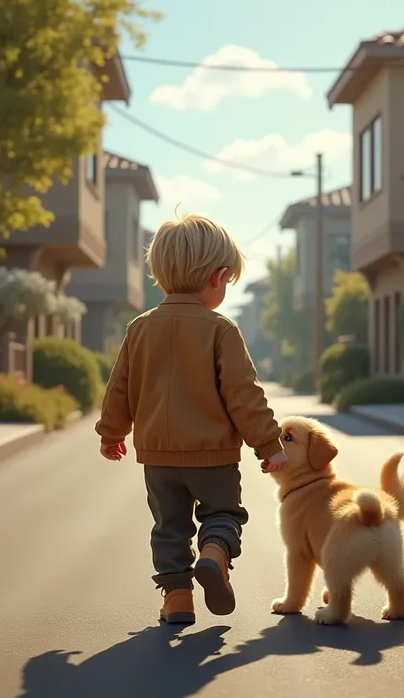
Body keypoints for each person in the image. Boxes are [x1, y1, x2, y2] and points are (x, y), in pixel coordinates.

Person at [95, 212, 288, 625]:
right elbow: (243, 394)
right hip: (213, 456)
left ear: (160, 274)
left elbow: (120, 389)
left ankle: (178, 599)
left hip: (158, 459)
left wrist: (111, 433)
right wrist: (268, 445)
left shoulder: (138, 329)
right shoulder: (221, 330)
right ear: (217, 278)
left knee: (169, 527)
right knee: (223, 514)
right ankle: (215, 553)